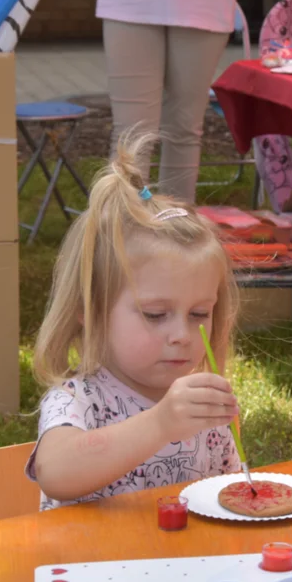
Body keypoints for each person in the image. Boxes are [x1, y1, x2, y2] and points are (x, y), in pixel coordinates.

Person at [26, 134, 241, 510]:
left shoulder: (202, 408)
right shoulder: (78, 400)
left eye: (199, 314)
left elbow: (231, 494)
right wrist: (161, 423)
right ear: (90, 312)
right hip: (88, 567)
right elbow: (56, 473)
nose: (181, 335)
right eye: (156, 315)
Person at [92, 0, 255, 204]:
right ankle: (124, 234)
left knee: (184, 127)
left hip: (202, 0)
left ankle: (176, 235)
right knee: (132, 133)